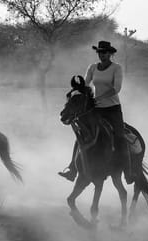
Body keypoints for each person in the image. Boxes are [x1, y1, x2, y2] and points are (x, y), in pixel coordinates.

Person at [58, 40, 135, 184]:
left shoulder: (116, 68)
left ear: (110, 54)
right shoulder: (92, 68)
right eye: (99, 52)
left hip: (112, 108)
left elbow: (116, 89)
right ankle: (72, 170)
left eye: (104, 52)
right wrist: (76, 93)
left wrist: (99, 97)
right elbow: (85, 85)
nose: (102, 55)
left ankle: (128, 171)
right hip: (96, 108)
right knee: (82, 134)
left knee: (119, 136)